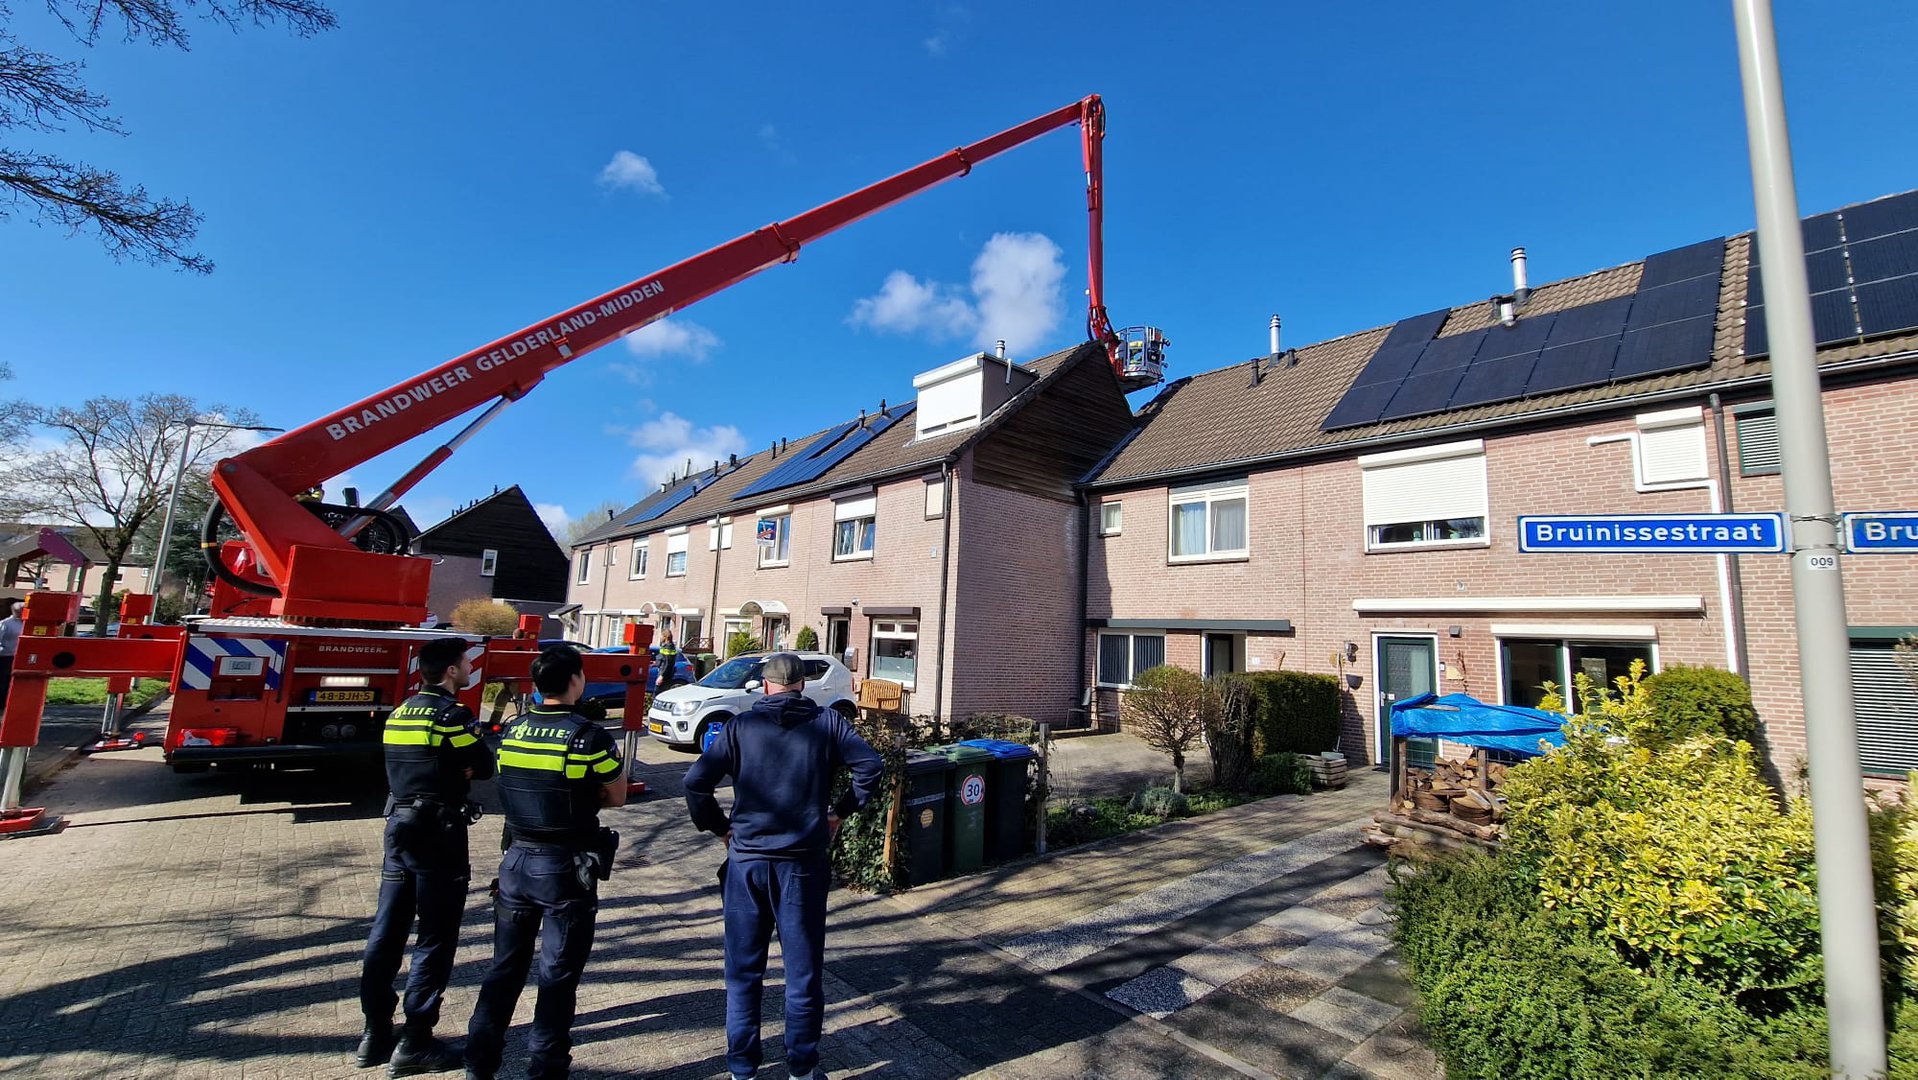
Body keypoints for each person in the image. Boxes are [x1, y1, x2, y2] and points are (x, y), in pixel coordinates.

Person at [683, 653, 883, 1080]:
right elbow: (871, 766)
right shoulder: (828, 724)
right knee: (803, 973)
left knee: (742, 972)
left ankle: (742, 1068)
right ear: (802, 686)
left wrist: (719, 828)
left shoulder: (741, 727)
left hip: (747, 865)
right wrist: (841, 812)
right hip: (802, 866)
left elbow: (695, 782)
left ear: (766, 686)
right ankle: (802, 1069)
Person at [465, 645, 627, 1080]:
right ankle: (546, 1068)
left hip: (515, 862)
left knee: (504, 968)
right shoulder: (588, 737)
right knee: (557, 975)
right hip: (564, 869)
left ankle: (479, 1063)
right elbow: (616, 794)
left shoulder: (513, 730)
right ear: (576, 680)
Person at [358, 636, 494, 1076]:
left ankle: (375, 1034)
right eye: (465, 662)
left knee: (387, 931)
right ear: (451, 671)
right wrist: (460, 768)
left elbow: (412, 764)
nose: (470, 667)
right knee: (435, 936)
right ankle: (416, 1040)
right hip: (438, 833)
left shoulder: (400, 711)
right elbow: (483, 765)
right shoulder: (452, 715)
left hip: (398, 830)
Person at [0, 600, 22, 709]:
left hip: (19, 656)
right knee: (4, 680)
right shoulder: (5, 623)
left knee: (12, 681)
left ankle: (9, 701)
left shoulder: (24, 623)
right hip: (6, 655)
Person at [654, 628, 684, 693]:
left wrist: (662, 676)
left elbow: (668, 664)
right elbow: (663, 660)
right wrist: (655, 663)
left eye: (661, 636)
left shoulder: (668, 648)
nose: (660, 638)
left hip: (664, 676)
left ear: (665, 637)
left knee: (658, 694)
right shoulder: (666, 646)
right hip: (664, 674)